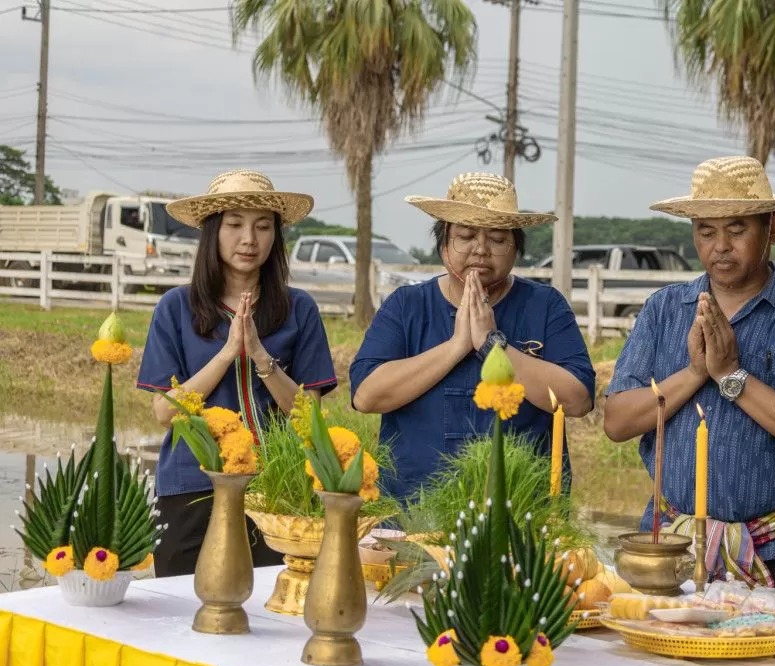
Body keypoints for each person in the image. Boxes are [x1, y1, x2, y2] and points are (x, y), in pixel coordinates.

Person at [604, 156, 775, 600]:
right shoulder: (666, 309)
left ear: (772, 228)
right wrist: (695, 373)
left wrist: (732, 376)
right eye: (706, 230)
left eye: (737, 229)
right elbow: (617, 421)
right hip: (670, 549)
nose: (720, 246)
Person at [137, 170, 338, 577]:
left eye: (263, 227)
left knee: (272, 611)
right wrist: (228, 353)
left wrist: (262, 358)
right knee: (181, 612)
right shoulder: (176, 308)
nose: (250, 238)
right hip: (191, 488)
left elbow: (309, 415)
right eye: (235, 225)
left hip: (276, 489)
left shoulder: (299, 310)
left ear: (275, 238)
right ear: (213, 232)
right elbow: (164, 412)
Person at [350, 172, 595, 501]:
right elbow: (366, 396)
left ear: (515, 248)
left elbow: (578, 401)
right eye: (465, 236)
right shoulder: (406, 305)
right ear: (444, 243)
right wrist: (457, 346)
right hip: (412, 509)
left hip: (521, 512)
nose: (481, 249)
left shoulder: (545, 305)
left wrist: (493, 344)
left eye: (496, 239)